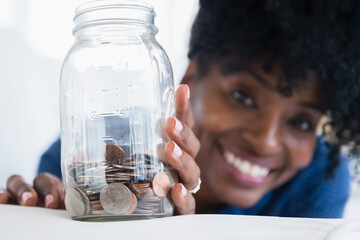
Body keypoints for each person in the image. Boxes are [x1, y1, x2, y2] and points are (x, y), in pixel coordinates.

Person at [1, 0, 360, 217]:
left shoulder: (319, 183)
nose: (265, 142)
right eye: (242, 97)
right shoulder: (90, 155)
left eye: (300, 121)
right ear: (190, 77)